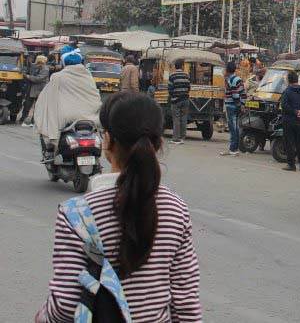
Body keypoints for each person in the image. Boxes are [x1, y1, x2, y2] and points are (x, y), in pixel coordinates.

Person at [35, 93, 202, 321]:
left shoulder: (77, 215)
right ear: (158, 143)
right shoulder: (176, 209)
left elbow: (65, 306)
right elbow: (186, 303)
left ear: (108, 140)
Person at [34, 46, 101, 145]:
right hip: (92, 118)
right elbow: (95, 96)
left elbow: (48, 100)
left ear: (63, 62)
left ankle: (50, 150)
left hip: (67, 119)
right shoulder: (88, 76)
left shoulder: (57, 77)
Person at [280, 70, 300, 171]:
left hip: (289, 121)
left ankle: (291, 164)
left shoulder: (287, 91)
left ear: (289, 80)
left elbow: (284, 106)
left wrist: (295, 112)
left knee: (289, 143)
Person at [221, 61, 245, 156]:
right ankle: (234, 148)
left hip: (232, 106)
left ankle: (233, 149)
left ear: (227, 70)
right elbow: (243, 93)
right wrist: (242, 104)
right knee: (235, 127)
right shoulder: (238, 79)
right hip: (236, 105)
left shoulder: (231, 80)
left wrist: (238, 105)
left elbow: (235, 95)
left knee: (233, 128)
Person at [19, 55, 49, 126]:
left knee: (37, 107)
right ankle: (23, 119)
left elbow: (38, 79)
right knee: (27, 105)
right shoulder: (34, 66)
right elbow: (27, 69)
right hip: (31, 89)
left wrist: (28, 76)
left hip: (40, 90)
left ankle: (33, 121)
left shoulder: (45, 69)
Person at [168, 59, 191, 145]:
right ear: (182, 66)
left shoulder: (172, 76)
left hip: (176, 100)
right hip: (185, 99)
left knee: (176, 119)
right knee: (184, 118)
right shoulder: (186, 75)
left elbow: (170, 88)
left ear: (175, 66)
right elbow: (189, 87)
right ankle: (182, 137)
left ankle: (175, 138)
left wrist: (173, 96)